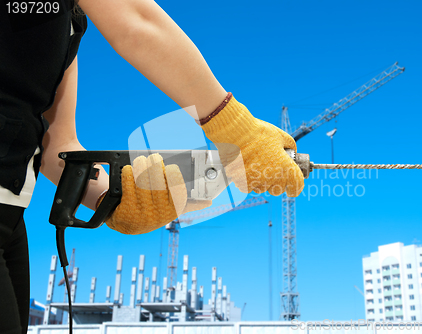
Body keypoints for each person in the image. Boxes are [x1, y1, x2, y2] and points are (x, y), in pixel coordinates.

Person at [0, 0, 304, 332]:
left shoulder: (64, 23)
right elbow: (135, 18)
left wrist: (123, 196)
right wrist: (237, 129)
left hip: (10, 215)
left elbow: (58, 148)